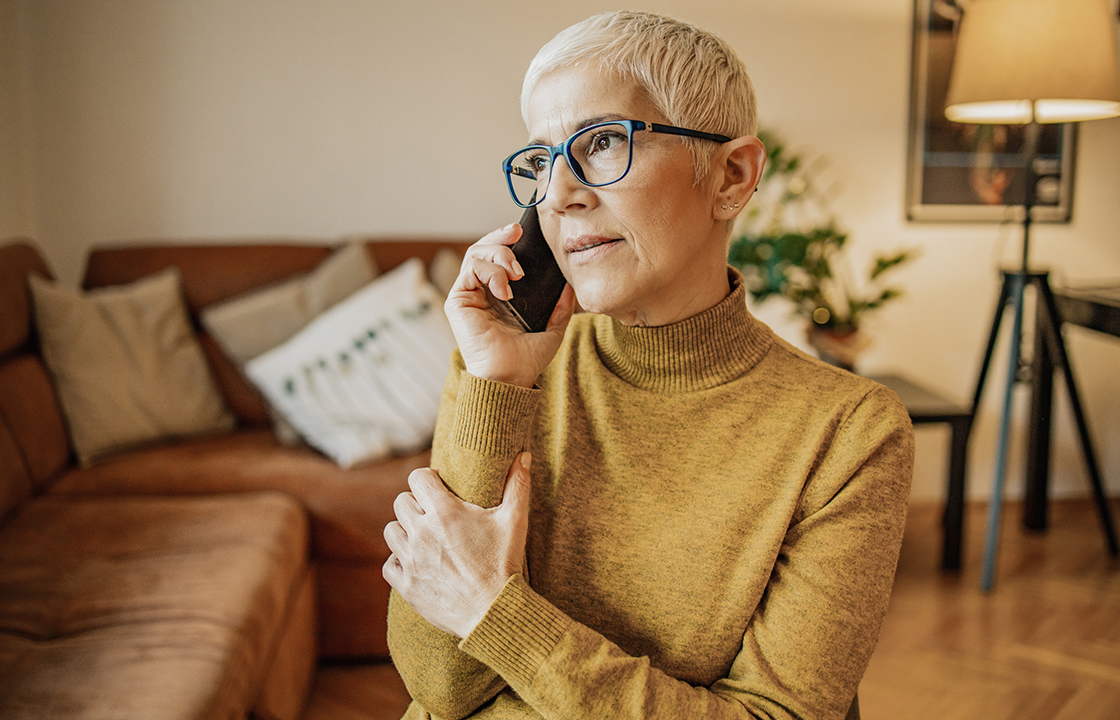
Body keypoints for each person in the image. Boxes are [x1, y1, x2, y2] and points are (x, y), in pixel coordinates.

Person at [382, 10, 914, 720]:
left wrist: (494, 613)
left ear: (732, 175)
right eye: (541, 160)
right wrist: (497, 383)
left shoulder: (850, 432)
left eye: (601, 142)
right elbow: (439, 689)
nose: (558, 194)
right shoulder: (503, 371)